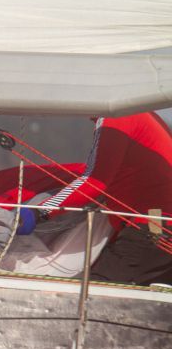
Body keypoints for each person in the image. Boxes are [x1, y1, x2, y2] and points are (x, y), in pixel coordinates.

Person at [27, 111, 172, 285]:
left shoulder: (116, 118)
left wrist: (39, 212)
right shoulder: (139, 114)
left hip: (153, 227)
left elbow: (94, 182)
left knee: (96, 290)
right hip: (157, 226)